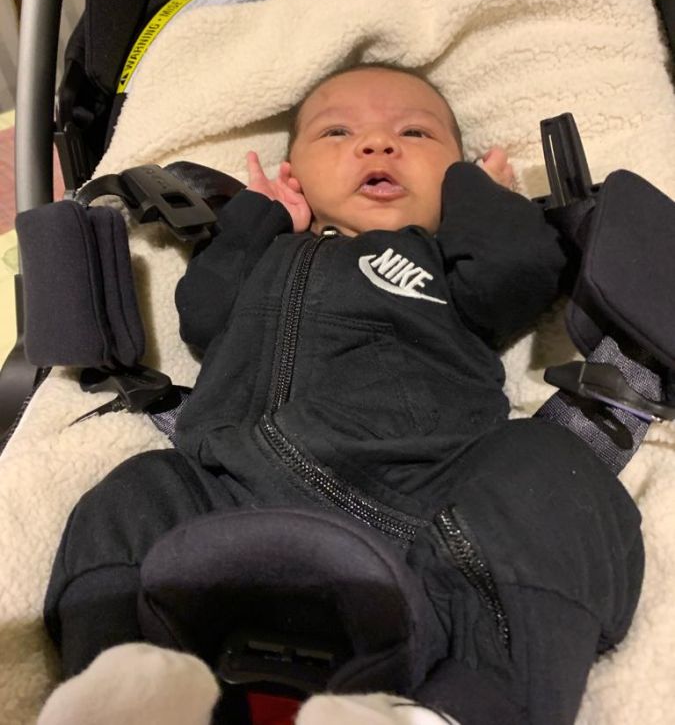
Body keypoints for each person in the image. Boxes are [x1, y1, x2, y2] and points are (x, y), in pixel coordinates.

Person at [40, 64, 643, 725]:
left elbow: (518, 272)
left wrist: (479, 198)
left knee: (549, 474)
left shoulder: (442, 262)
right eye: (337, 133)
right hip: (228, 488)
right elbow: (203, 315)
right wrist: (260, 217)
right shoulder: (265, 255)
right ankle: (126, 691)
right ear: (295, 174)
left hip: (428, 509)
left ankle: (474, 704)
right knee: (135, 493)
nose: (378, 144)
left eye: (415, 133)